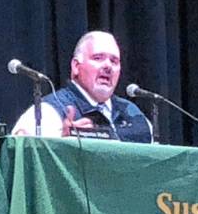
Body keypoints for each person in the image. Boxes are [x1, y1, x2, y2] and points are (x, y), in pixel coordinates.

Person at [12, 31, 152, 143]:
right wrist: (63, 145)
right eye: (98, 58)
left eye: (114, 61)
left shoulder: (133, 114)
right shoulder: (47, 113)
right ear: (76, 67)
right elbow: (23, 162)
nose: (108, 66)